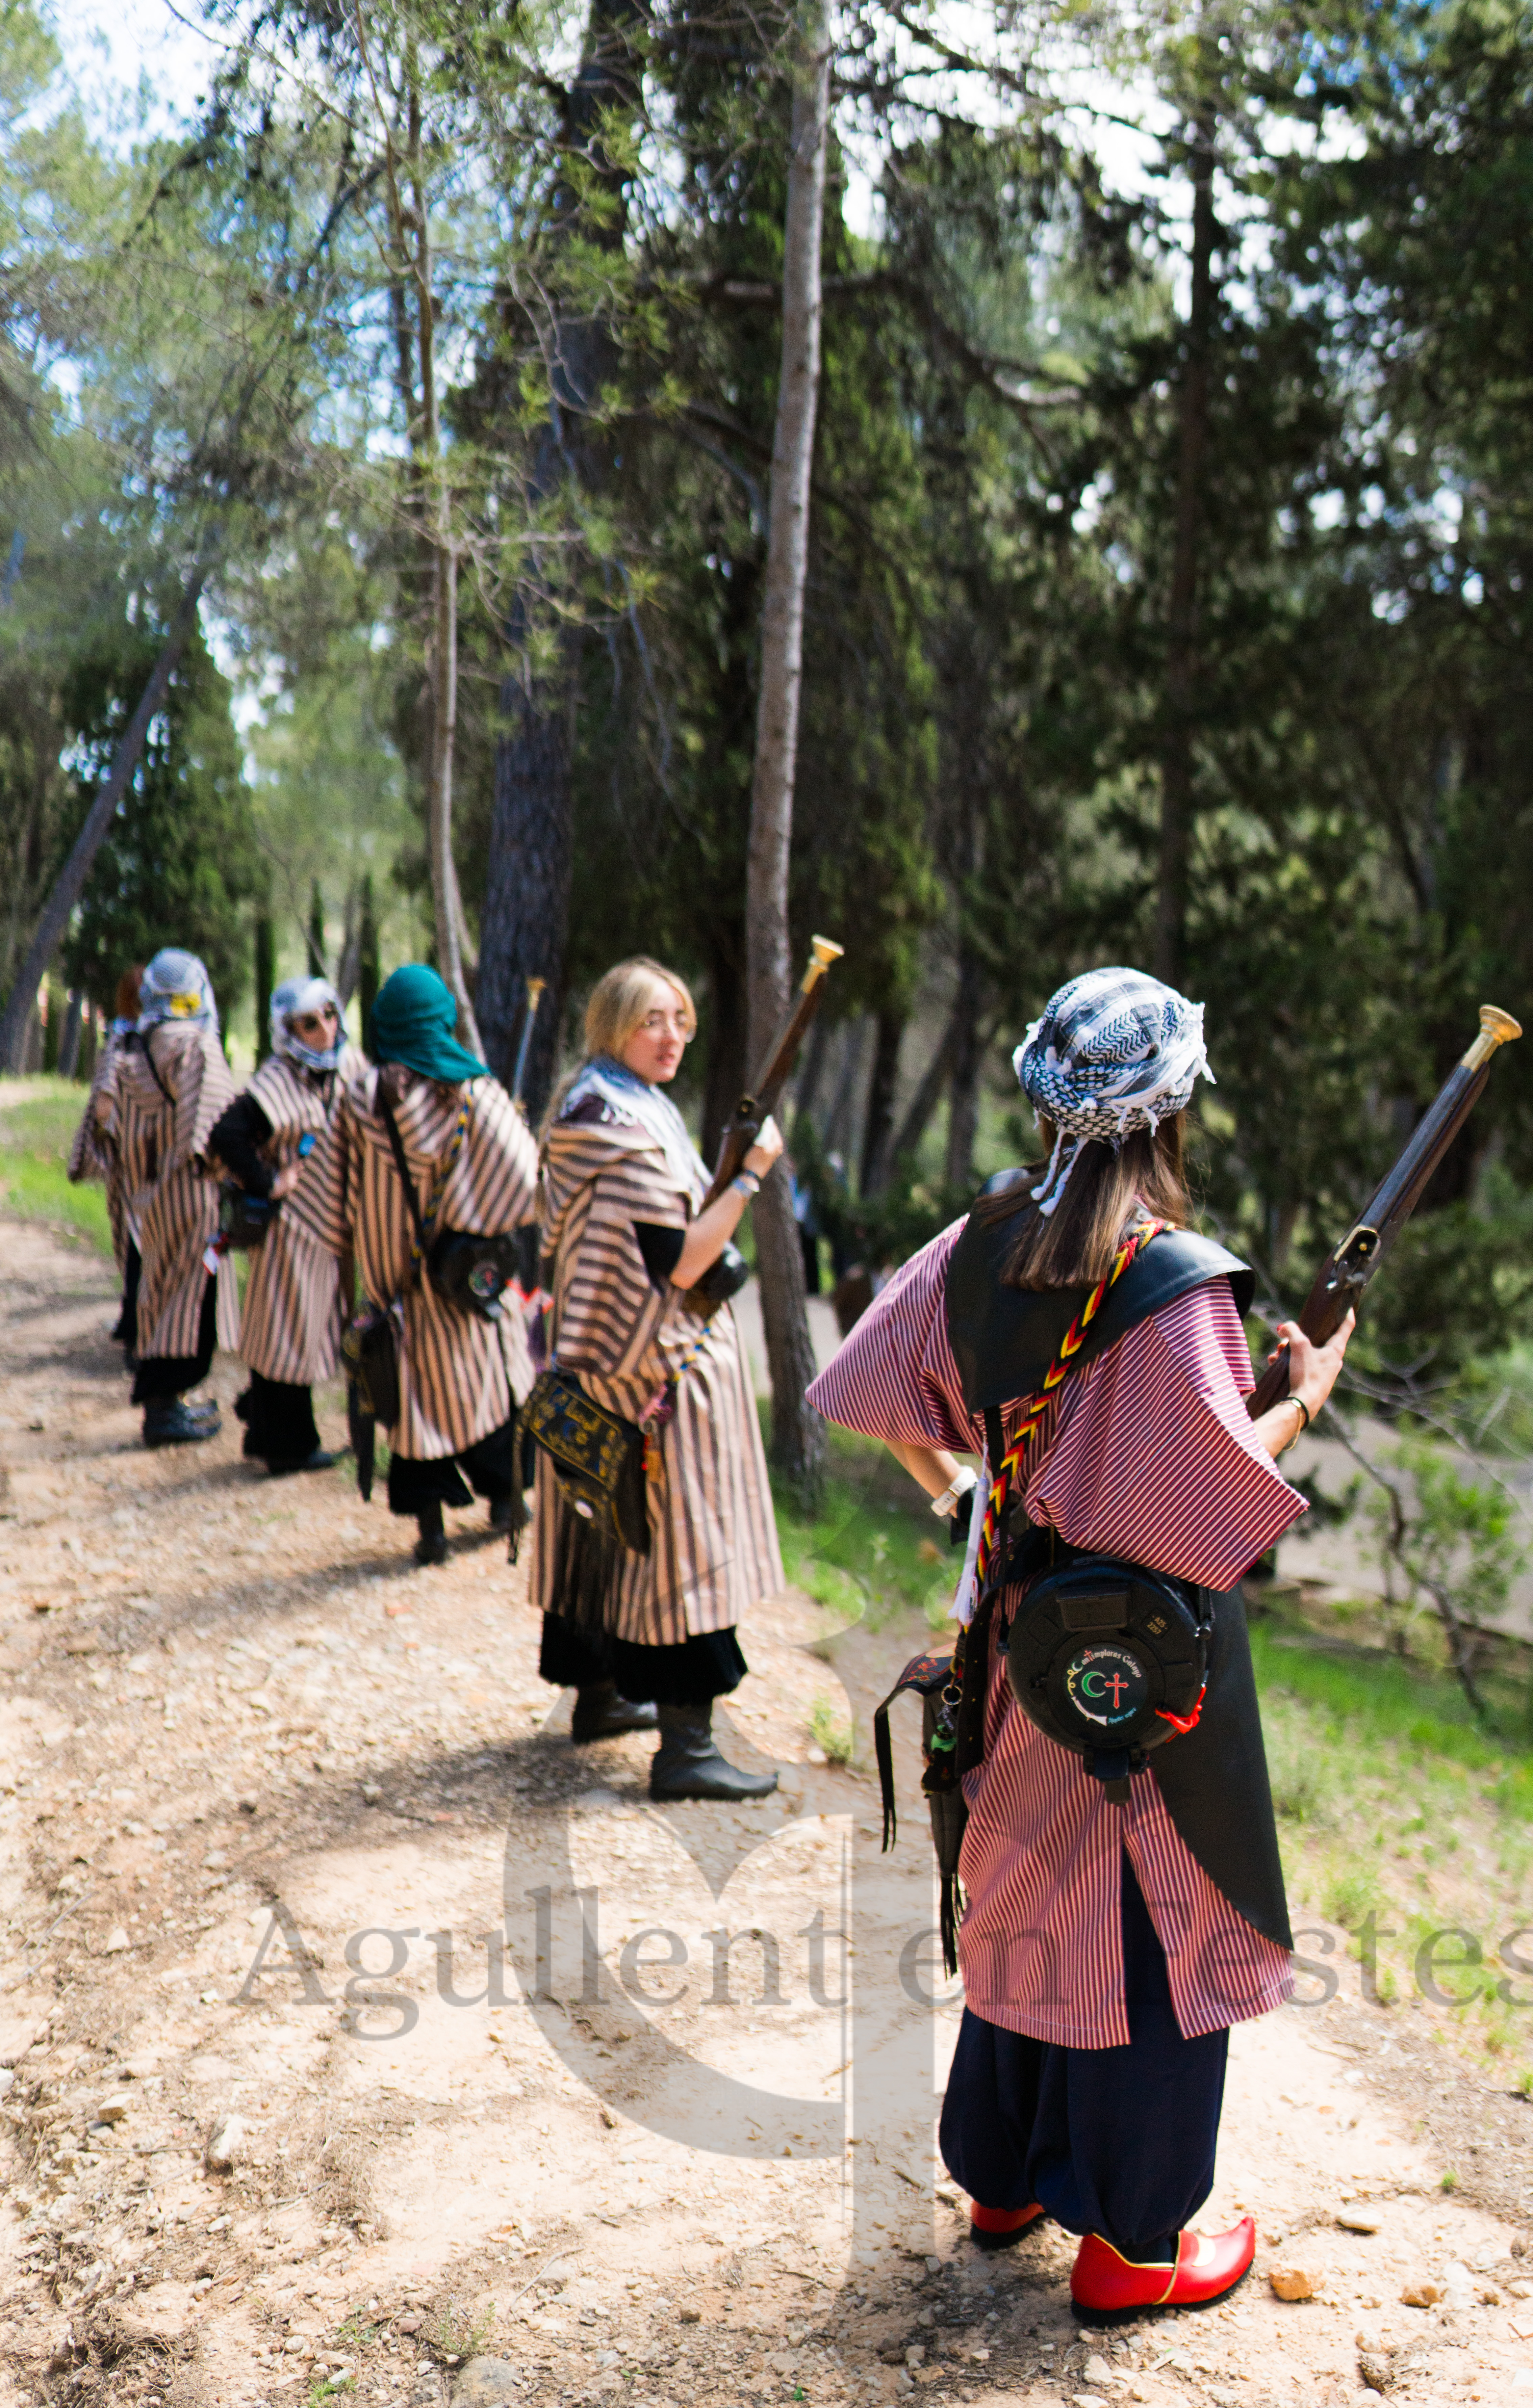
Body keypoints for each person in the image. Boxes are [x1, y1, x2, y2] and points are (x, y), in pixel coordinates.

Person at [808, 967, 1355, 2325]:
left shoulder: (983, 1233)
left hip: (1008, 1634)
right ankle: (1135, 2247)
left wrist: (971, 1495)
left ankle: (1001, 2181)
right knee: (1160, 1919)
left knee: (1024, 1885)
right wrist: (1303, 1402)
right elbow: (1202, 1510)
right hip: (1133, 1670)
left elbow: (862, 1386)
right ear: (1172, 1111)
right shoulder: (1176, 1286)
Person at [528, 957, 785, 1796]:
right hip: (654, 1367)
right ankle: (687, 1752)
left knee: (606, 1532)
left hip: (593, 1360)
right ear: (612, 1026)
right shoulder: (624, 1127)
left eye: (680, 1018)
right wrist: (748, 1177)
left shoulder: (600, 1103)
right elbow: (677, 1265)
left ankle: (598, 1700)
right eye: (651, 1020)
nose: (671, 1035)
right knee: (684, 1548)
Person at [320, 964, 537, 1565]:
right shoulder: (476, 1095)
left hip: (397, 1284)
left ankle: (431, 1530)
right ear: (441, 1023)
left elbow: (333, 1191)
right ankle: (505, 1500)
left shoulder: (359, 1098)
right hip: (462, 1284)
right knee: (491, 1387)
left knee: (413, 1403)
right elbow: (526, 1183)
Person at [208, 975, 366, 1477]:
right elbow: (226, 1135)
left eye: (329, 1014)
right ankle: (287, 1449)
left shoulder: (350, 1066)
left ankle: (266, 1430)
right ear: (288, 1032)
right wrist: (268, 1182)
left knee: (306, 1336)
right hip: (290, 1233)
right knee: (284, 1339)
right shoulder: (276, 1080)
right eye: (309, 1023)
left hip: (331, 1232)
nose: (324, 1029)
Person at [88, 947, 240, 1449]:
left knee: (156, 1293)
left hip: (144, 1193)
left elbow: (102, 1118)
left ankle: (168, 1405)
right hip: (191, 1189)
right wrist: (225, 1176)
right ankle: (164, 1411)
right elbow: (218, 1123)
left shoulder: (127, 1043)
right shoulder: (196, 1044)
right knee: (190, 1297)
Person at [68, 962, 145, 1358]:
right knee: (139, 1246)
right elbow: (103, 1108)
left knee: (135, 1244)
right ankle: (136, 1335)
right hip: (137, 1163)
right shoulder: (130, 1043)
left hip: (129, 1163)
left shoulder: (122, 1037)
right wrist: (132, 1132)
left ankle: (135, 1328)